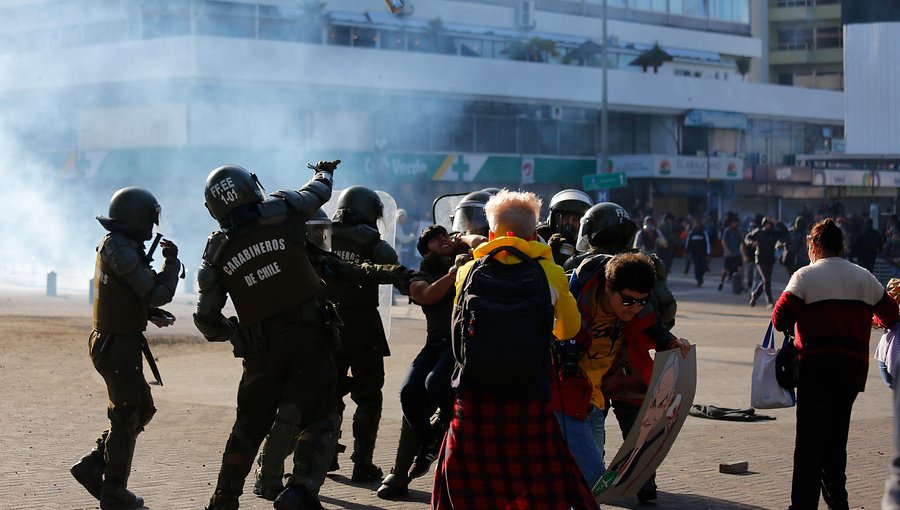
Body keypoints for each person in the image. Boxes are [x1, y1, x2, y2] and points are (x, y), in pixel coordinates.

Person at [431, 189, 598, 510]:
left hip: (474, 395)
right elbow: (568, 330)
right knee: (536, 485)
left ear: (491, 233)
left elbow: (455, 336)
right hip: (528, 393)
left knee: (468, 486)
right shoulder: (548, 272)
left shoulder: (467, 271)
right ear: (535, 233)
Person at [195, 162, 342, 510]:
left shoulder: (215, 254)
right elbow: (318, 193)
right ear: (251, 187)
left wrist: (240, 333)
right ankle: (300, 490)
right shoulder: (283, 211)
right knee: (321, 416)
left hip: (261, 350)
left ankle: (224, 498)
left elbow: (207, 322)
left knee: (247, 428)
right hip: (310, 337)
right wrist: (324, 172)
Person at [252, 208, 414, 501]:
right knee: (301, 410)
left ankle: (283, 477)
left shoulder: (303, 258)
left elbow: (354, 270)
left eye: (322, 231)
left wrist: (393, 273)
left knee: (304, 409)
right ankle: (281, 478)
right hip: (307, 340)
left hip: (314, 338)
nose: (321, 237)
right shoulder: (295, 260)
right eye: (314, 231)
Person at [772, 218, 899, 510]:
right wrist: (872, 319)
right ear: (841, 246)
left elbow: (780, 320)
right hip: (850, 373)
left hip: (814, 371)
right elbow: (891, 314)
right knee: (835, 441)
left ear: (814, 246)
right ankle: (837, 503)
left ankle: (803, 506)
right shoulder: (864, 277)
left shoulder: (805, 276)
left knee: (808, 445)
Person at [71, 187, 181, 510]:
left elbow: (128, 292)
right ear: (136, 218)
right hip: (115, 345)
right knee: (127, 415)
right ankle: (114, 491)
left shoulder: (121, 246)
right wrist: (172, 264)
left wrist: (147, 313)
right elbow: (157, 291)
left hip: (119, 342)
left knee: (141, 409)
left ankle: (95, 465)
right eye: (150, 219)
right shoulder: (120, 248)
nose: (151, 227)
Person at [551, 252, 690, 489]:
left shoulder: (638, 310)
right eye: (627, 300)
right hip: (565, 399)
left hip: (595, 401)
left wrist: (672, 343)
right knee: (593, 478)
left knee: (589, 483)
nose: (634, 308)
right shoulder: (574, 298)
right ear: (608, 286)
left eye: (641, 301)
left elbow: (652, 328)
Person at [377, 225, 486, 499]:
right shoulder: (420, 275)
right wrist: (455, 272)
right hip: (436, 344)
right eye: (435, 240)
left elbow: (483, 241)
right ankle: (429, 442)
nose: (444, 240)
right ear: (425, 251)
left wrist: (462, 239)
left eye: (446, 236)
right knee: (409, 392)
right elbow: (427, 294)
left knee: (436, 382)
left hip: (465, 343)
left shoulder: (474, 258)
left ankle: (441, 436)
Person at [323, 185, 400, 482]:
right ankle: (362, 463)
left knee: (330, 393)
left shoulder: (323, 234)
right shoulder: (372, 240)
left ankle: (326, 455)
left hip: (328, 322)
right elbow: (393, 267)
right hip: (364, 325)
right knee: (369, 396)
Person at [537, 188, 593, 266]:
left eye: (575, 220)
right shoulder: (540, 237)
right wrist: (547, 250)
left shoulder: (590, 244)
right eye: (565, 218)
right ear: (553, 220)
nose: (569, 223)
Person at [746, 217, 782, 308]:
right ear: (764, 224)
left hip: (770, 259)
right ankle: (769, 301)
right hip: (760, 259)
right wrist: (752, 242)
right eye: (767, 223)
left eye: (770, 224)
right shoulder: (758, 232)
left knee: (766, 280)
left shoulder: (774, 233)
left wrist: (777, 222)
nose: (769, 225)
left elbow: (784, 232)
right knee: (766, 279)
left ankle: (755, 295)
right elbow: (747, 238)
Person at [718, 217, 744, 292]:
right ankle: (721, 282)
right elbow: (723, 241)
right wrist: (727, 250)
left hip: (737, 253)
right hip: (729, 253)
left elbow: (742, 240)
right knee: (725, 269)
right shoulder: (728, 230)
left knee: (740, 269)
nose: (737, 225)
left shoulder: (738, 231)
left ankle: (741, 285)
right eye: (736, 223)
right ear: (732, 223)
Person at [684, 219, 710, 287]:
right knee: (697, 266)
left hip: (702, 253)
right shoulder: (691, 234)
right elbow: (688, 243)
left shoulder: (704, 233)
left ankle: (700, 276)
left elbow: (707, 243)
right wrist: (686, 251)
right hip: (694, 253)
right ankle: (699, 279)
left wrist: (708, 252)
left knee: (704, 266)